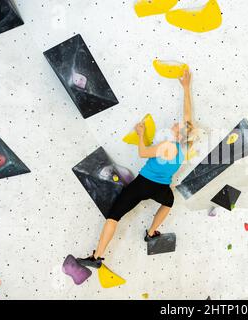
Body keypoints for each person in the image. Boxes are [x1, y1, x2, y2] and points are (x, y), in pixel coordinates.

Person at [78, 70, 196, 268]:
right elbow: (187, 115)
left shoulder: (165, 146)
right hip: (161, 188)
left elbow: (143, 152)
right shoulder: (184, 148)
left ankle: (97, 257)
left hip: (142, 184)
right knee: (168, 202)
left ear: (179, 132)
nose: (176, 123)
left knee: (113, 216)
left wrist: (141, 133)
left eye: (178, 125)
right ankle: (151, 233)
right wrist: (185, 88)